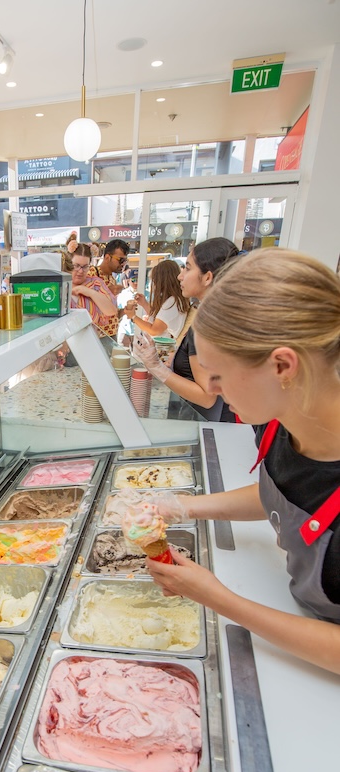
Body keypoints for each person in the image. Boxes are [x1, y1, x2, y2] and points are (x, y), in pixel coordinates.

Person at [145, 248, 340, 675]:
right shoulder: (280, 422)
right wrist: (182, 506)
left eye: (218, 374)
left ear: (282, 366)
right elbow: (284, 493)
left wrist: (219, 599)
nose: (212, 388)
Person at [134, 237, 239, 422]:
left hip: (210, 424)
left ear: (207, 277)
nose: (180, 276)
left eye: (188, 268)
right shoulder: (221, 315)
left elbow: (206, 397)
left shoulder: (208, 324)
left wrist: (156, 367)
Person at [130, 258, 191, 339]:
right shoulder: (174, 299)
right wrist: (144, 304)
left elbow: (154, 330)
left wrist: (133, 317)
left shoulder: (172, 301)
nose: (153, 284)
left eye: (154, 280)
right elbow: (160, 318)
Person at [70, 242, 120, 340]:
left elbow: (111, 310)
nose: (80, 271)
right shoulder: (58, 285)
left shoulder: (96, 283)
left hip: (91, 341)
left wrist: (89, 292)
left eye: (85, 267)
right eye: (76, 265)